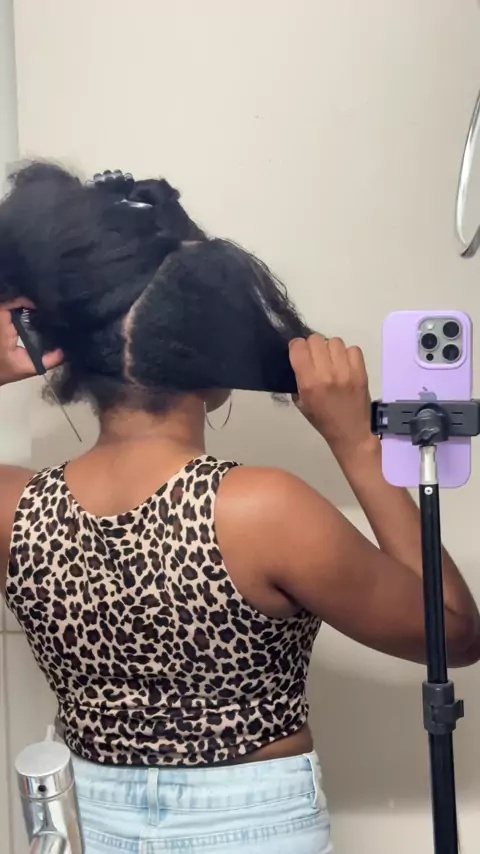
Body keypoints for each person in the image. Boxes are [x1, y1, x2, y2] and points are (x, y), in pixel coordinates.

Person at [0, 163, 478, 854]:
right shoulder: (261, 509)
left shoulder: (15, 507)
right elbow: (454, 634)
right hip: (249, 826)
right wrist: (356, 444)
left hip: (84, 819)